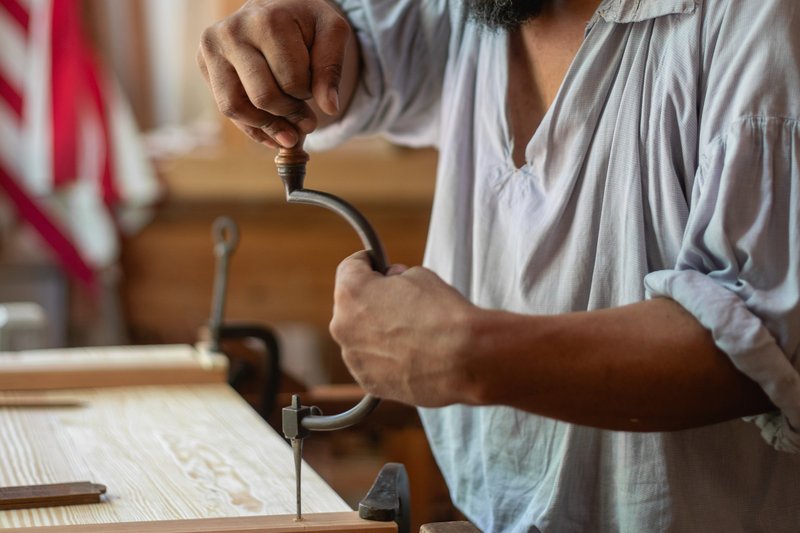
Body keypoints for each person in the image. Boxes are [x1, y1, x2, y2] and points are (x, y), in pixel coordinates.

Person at [198, 1, 800, 530]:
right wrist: (279, 44)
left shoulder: (758, 22)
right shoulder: (473, 12)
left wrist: (470, 353)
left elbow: (767, 355)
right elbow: (341, 55)